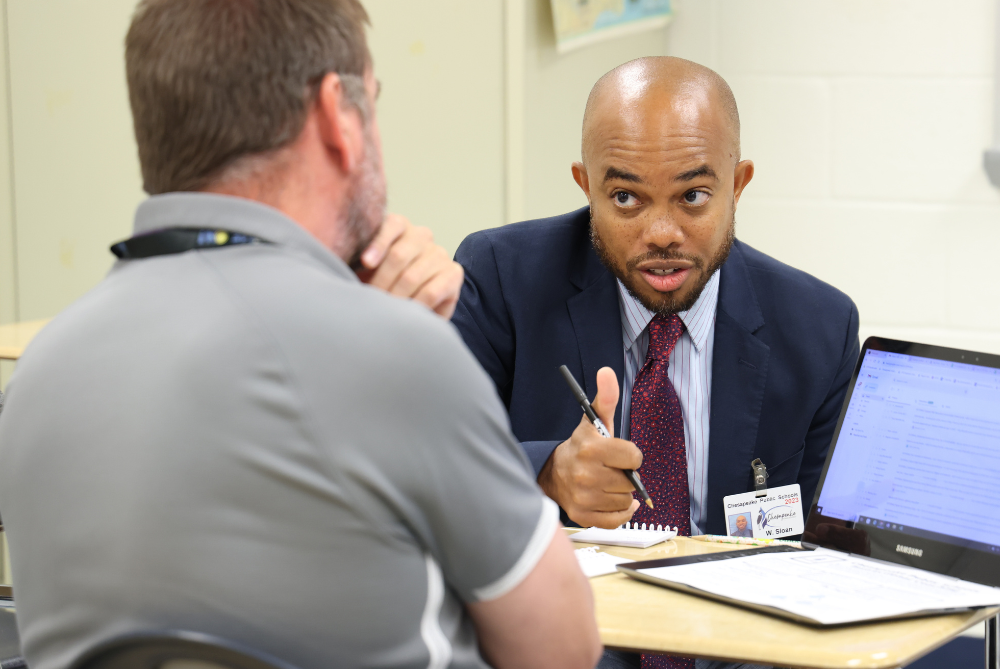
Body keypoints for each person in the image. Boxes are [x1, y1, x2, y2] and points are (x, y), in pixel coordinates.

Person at [0, 2, 602, 669]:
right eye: (373, 102)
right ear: (338, 117)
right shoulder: (396, 356)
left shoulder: (35, 381)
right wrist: (392, 348)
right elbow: (563, 648)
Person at [453, 55, 858, 669]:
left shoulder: (820, 327)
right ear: (584, 185)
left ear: (738, 183)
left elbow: (829, 553)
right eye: (625, 198)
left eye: (693, 196)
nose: (662, 232)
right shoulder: (504, 277)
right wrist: (546, 473)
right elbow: (430, 465)